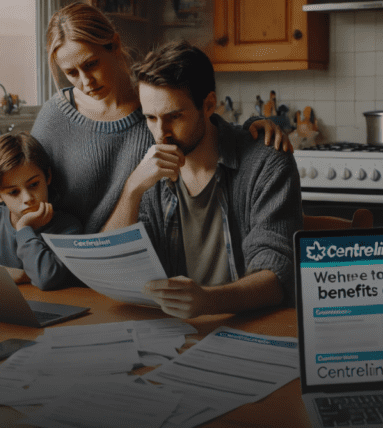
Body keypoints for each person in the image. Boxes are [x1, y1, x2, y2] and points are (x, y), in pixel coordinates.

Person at [0, 2, 290, 263]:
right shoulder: (57, 115)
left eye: (91, 64)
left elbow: (199, 130)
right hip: (56, 261)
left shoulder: (153, 114)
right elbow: (17, 179)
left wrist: (252, 131)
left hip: (118, 262)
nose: (85, 82)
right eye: (72, 73)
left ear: (114, 46)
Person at [103, 40, 303, 319]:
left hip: (253, 326)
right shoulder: (149, 170)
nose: (161, 133)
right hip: (175, 333)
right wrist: (132, 190)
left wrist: (209, 301)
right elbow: (112, 266)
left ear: (208, 105)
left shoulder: (266, 161)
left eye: (174, 116)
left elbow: (277, 274)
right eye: (150, 117)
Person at [0, 132, 83, 291]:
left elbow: (45, 278)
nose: (27, 198)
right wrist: (7, 275)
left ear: (47, 176)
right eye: (14, 192)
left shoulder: (68, 228)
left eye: (34, 184)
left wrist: (23, 229)